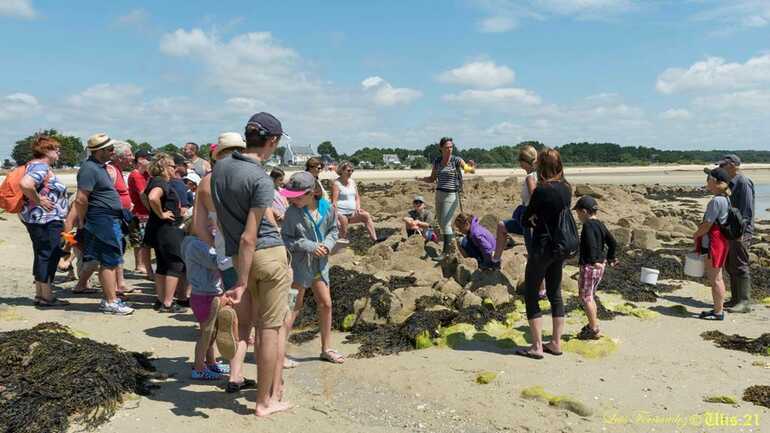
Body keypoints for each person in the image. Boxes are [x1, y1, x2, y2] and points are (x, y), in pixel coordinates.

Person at [211, 112, 292, 416]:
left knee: (251, 326)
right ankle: (265, 401)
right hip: (267, 255)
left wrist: (240, 276)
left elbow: (229, 227)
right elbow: (250, 235)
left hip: (234, 256)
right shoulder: (260, 178)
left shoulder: (219, 169)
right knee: (270, 330)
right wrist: (242, 283)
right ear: (271, 141)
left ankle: (261, 388)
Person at [191, 131, 254, 392]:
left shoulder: (206, 182)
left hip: (225, 253)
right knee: (253, 317)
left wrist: (215, 247)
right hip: (250, 251)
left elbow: (198, 225)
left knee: (231, 308)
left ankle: (228, 368)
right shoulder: (246, 175)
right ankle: (239, 370)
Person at [64, 133, 134, 315]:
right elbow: (81, 199)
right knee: (109, 260)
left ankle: (111, 299)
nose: (113, 152)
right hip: (101, 220)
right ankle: (111, 301)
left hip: (109, 219)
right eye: (110, 149)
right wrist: (80, 221)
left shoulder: (99, 167)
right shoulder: (89, 169)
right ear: (99, 151)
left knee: (109, 259)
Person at [281, 173, 344, 364]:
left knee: (326, 304)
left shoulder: (327, 208)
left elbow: (334, 230)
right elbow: (286, 238)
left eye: (297, 196)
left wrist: (327, 245)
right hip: (298, 268)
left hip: (320, 267)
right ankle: (279, 352)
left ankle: (326, 349)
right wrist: (309, 246)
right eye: (290, 196)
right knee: (292, 306)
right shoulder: (292, 212)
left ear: (312, 193)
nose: (292, 199)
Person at [515, 148, 571, 359]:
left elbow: (525, 217)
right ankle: (556, 342)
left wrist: (532, 219)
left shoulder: (541, 190)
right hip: (560, 247)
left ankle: (537, 346)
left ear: (542, 166)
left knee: (531, 294)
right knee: (555, 294)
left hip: (542, 247)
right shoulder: (567, 187)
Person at [18, 134, 70, 307]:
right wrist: (39, 200)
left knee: (42, 254)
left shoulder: (32, 165)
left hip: (36, 218)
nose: (59, 153)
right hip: (45, 219)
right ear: (47, 151)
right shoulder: (41, 167)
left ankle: (41, 294)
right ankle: (47, 296)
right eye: (57, 150)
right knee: (49, 254)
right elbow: (26, 184)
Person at [417, 137, 476, 261]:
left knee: (445, 223)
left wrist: (471, 167)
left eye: (451, 147)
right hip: (439, 193)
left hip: (451, 195)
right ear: (441, 148)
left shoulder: (456, 160)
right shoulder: (437, 161)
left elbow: (467, 169)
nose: (449, 149)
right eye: (447, 147)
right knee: (441, 222)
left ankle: (446, 252)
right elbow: (432, 178)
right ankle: (451, 246)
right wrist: (421, 179)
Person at [181, 234, 230, 380]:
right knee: (206, 334)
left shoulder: (194, 243)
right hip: (204, 295)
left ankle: (210, 362)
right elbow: (217, 263)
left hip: (206, 293)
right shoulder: (197, 245)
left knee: (211, 333)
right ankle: (199, 368)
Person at [143, 153, 187, 313]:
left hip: (157, 228)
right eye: (172, 166)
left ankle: (161, 300)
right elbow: (153, 197)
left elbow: (144, 196)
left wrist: (154, 213)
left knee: (162, 265)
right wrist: (161, 213)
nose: (174, 169)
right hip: (168, 229)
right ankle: (168, 302)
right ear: (164, 167)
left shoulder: (154, 181)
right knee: (175, 264)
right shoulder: (161, 182)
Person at [573, 196, 617, 340]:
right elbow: (613, 242)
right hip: (600, 266)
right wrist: (610, 258)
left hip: (590, 266)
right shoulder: (600, 224)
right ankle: (593, 324)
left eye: (578, 212)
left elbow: (591, 243)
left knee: (586, 297)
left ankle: (593, 328)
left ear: (584, 211)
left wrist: (592, 261)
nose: (578, 216)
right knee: (590, 296)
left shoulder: (588, 225)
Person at [693, 167, 732, 321]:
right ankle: (717, 309)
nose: (706, 183)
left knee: (716, 278)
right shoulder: (726, 198)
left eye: (708, 179)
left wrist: (696, 234)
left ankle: (718, 312)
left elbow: (707, 224)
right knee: (718, 277)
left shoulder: (716, 201)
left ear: (715, 182)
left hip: (714, 243)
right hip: (721, 242)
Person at [718, 155, 755, 313]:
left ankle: (744, 302)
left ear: (732, 165)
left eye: (722, 166)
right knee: (731, 264)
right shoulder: (731, 183)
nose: (720, 168)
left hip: (740, 231)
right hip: (731, 230)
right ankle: (735, 299)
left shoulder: (743, 182)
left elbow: (746, 211)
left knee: (740, 264)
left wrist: (741, 232)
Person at [493, 145, 538, 262]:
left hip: (530, 220)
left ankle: (495, 260)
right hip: (529, 218)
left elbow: (534, 197)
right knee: (502, 225)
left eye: (520, 160)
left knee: (533, 253)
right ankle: (496, 259)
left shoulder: (530, 177)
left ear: (524, 162)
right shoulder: (540, 174)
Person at [332, 161, 379, 241]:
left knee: (366, 216)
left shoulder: (352, 182)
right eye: (348, 170)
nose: (350, 172)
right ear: (342, 171)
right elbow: (334, 202)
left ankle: (375, 240)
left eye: (352, 170)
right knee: (344, 225)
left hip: (352, 212)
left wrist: (358, 207)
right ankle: (340, 243)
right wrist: (335, 217)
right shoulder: (336, 183)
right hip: (341, 213)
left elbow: (357, 198)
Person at [128, 149, 154, 279]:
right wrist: (151, 208)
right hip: (140, 212)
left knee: (141, 240)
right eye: (148, 159)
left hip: (144, 211)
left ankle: (141, 264)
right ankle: (140, 265)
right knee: (140, 241)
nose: (150, 162)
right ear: (140, 160)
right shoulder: (136, 175)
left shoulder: (146, 175)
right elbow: (142, 193)